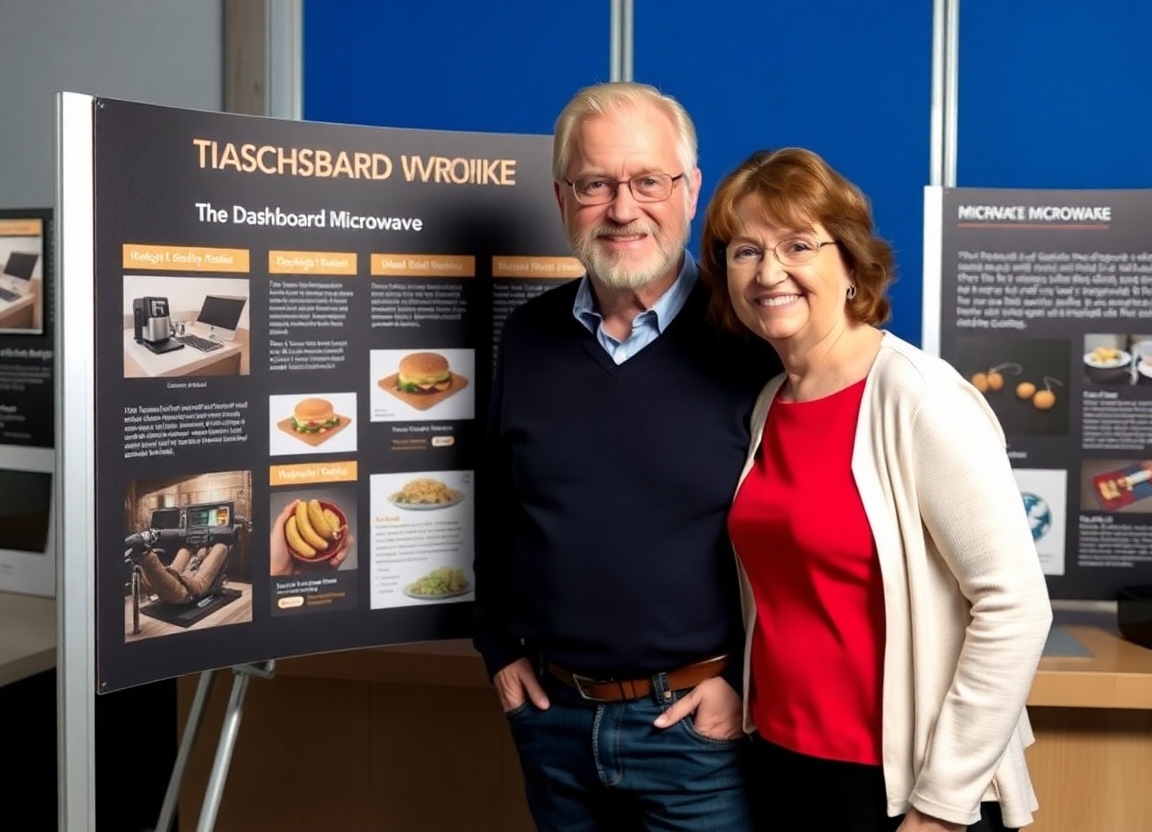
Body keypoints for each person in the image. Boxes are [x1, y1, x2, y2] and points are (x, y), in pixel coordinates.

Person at [679, 147, 1053, 831]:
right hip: (782, 767)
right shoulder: (770, 403)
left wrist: (940, 809)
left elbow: (1017, 607)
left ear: (849, 265)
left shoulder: (919, 397)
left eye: (798, 245)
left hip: (905, 788)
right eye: (744, 252)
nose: (770, 272)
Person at [472, 82, 781, 830]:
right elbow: (496, 504)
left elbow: (799, 541)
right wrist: (496, 647)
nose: (622, 208)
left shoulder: (753, 343)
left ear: (691, 189)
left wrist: (745, 678)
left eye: (648, 181)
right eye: (595, 184)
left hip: (696, 731)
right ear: (560, 195)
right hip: (552, 723)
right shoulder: (529, 336)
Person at [132, 541, 231, 605]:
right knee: (185, 550)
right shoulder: (192, 554)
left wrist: (177, 575)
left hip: (190, 590)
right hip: (182, 582)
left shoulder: (216, 550)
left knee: (221, 547)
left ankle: (146, 557)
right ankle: (145, 557)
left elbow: (196, 588)